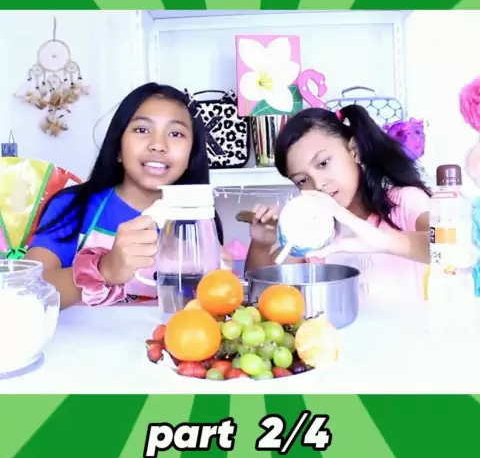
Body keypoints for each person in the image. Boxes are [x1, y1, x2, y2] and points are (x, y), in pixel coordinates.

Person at [27, 83, 224, 309]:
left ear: (191, 155)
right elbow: (30, 293)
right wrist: (104, 269)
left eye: (176, 133)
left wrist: (247, 253)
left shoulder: (200, 221)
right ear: (118, 148)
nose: (158, 145)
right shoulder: (71, 207)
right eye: (142, 130)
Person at [246, 105, 431, 274]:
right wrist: (261, 246)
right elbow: (263, 290)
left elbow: (447, 248)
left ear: (355, 150)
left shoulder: (404, 202)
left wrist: (380, 240)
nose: (318, 184)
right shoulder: (314, 232)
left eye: (323, 163)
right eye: (302, 180)